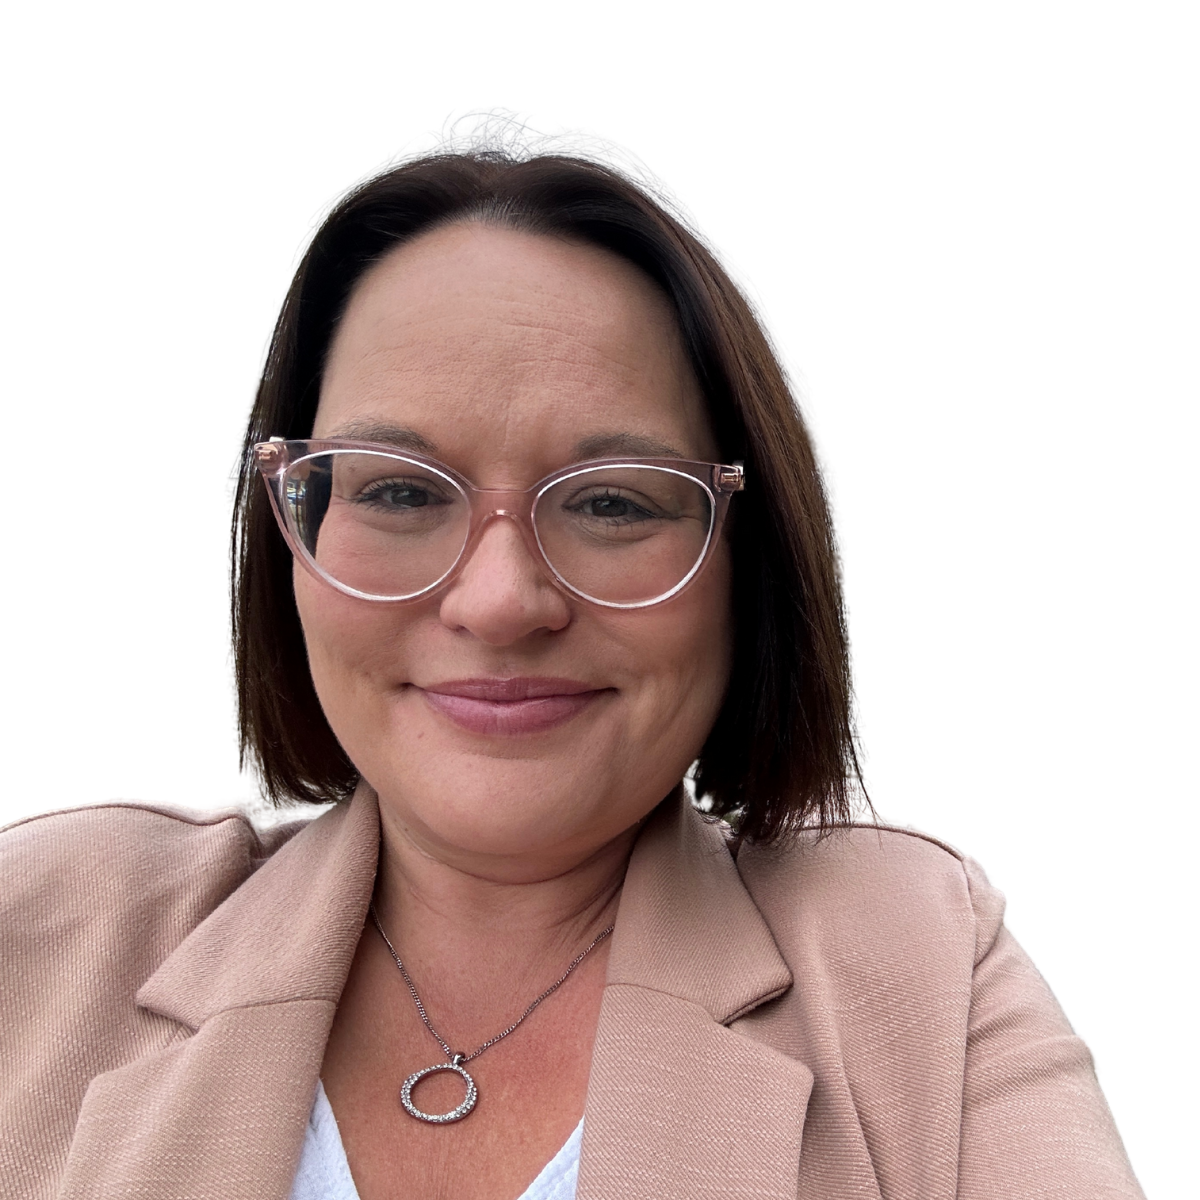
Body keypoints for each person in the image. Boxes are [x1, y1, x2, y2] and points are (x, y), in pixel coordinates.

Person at [0, 151, 1143, 1200]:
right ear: (288, 534)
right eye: (398, 490)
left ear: (747, 569)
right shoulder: (47, 927)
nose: (501, 601)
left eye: (611, 504)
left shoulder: (914, 967)